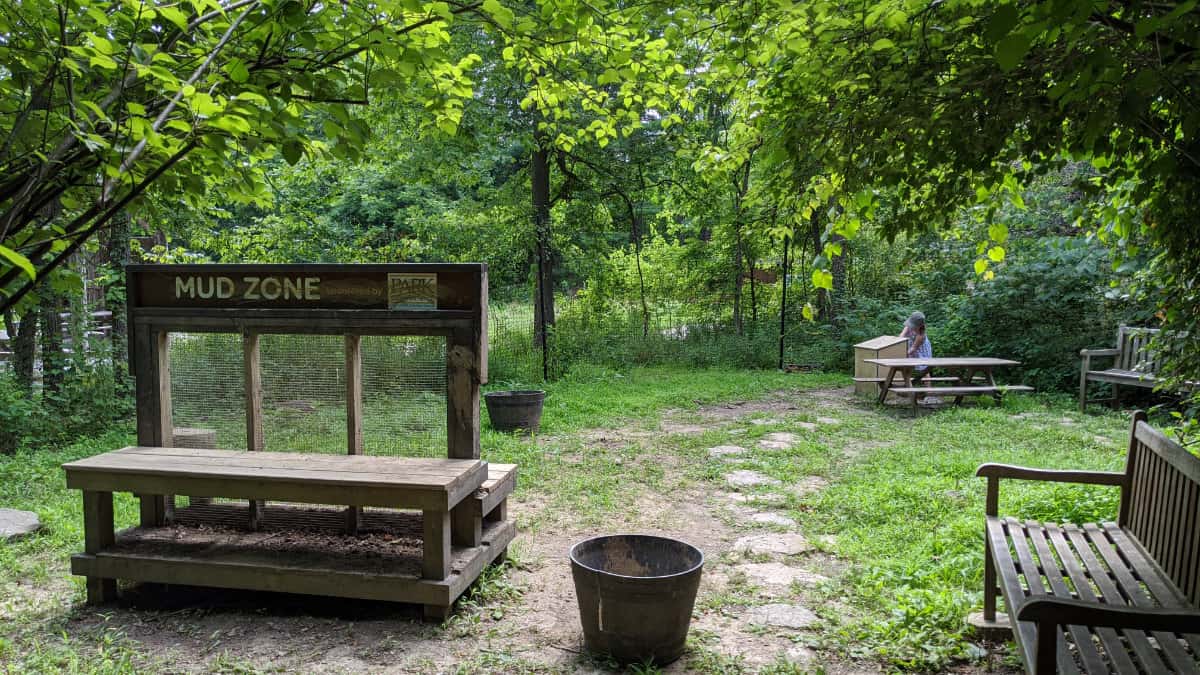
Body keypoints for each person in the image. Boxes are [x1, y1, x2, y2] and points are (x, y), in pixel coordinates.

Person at [900, 311, 932, 384]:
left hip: (920, 350)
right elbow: (901, 336)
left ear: (919, 326)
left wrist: (903, 354)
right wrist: (898, 346)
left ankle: (929, 391)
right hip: (910, 348)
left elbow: (914, 348)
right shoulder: (908, 327)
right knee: (907, 368)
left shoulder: (921, 335)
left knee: (924, 370)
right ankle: (908, 388)